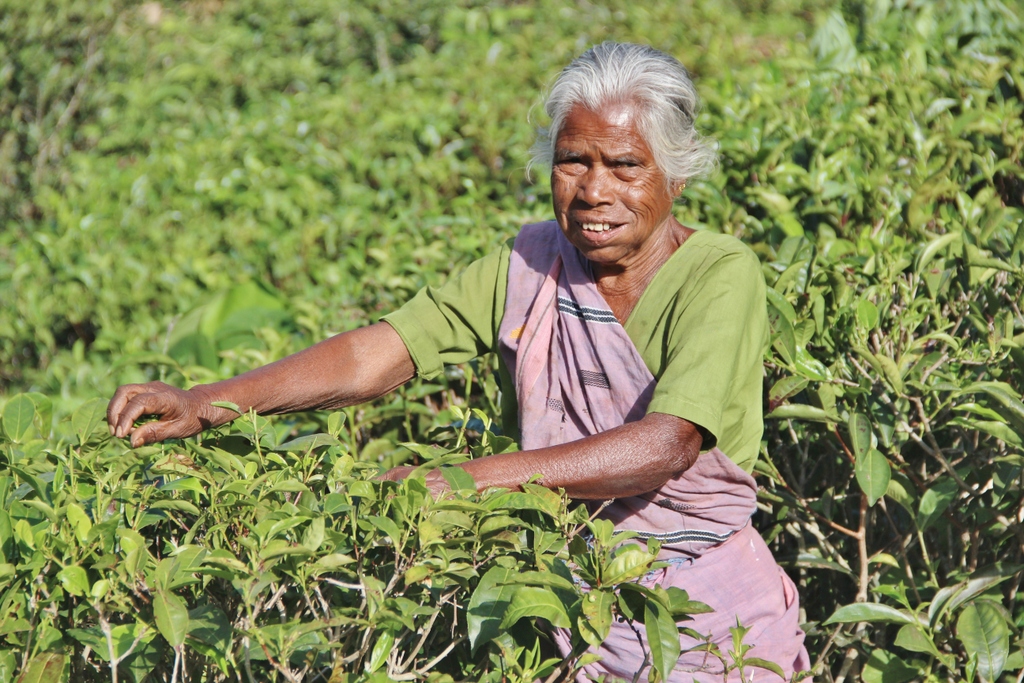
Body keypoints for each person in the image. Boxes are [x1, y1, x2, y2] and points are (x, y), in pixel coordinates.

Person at [107, 42, 808, 681]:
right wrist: (207, 402)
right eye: (574, 161)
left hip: (711, 624)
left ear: (676, 174)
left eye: (625, 165)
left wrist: (461, 482)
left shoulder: (720, 271)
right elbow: (376, 352)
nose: (594, 191)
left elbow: (668, 444)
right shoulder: (534, 262)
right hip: (566, 611)